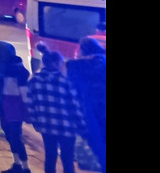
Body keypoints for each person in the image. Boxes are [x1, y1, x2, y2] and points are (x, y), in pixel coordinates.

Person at [27, 44, 86, 173]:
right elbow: (74, 107)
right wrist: (82, 127)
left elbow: (30, 105)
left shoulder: (34, 80)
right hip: (67, 127)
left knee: (50, 156)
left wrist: (36, 123)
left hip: (46, 127)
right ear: (57, 63)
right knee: (67, 158)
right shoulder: (65, 81)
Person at [0, 41, 32, 173]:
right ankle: (17, 164)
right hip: (3, 104)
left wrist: (27, 109)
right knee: (8, 134)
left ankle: (25, 168)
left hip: (14, 106)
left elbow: (24, 91)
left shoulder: (17, 69)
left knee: (15, 136)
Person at [66, 36, 106, 173]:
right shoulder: (104, 64)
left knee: (98, 145)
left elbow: (71, 92)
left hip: (87, 113)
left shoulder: (75, 67)